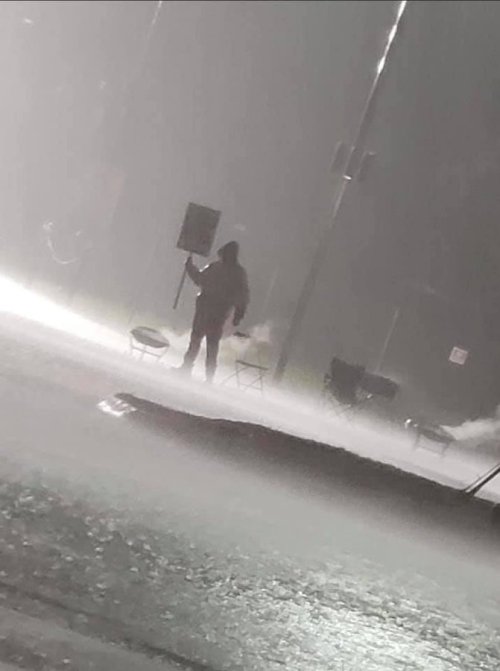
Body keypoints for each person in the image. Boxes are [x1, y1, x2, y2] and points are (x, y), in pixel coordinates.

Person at [181, 241, 249, 382]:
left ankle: (192, 369)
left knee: (200, 341)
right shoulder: (237, 273)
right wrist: (238, 314)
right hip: (215, 311)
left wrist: (190, 268)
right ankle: (205, 375)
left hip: (211, 310)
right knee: (207, 343)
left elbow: (200, 279)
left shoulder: (219, 269)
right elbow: (242, 296)